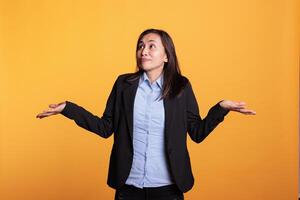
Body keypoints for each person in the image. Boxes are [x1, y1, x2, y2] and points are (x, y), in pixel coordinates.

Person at [36, 28, 256, 200]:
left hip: (168, 189)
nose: (144, 51)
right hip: (128, 187)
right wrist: (68, 109)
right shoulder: (124, 84)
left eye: (152, 46)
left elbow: (197, 132)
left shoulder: (181, 87)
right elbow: (105, 127)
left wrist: (221, 108)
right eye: (141, 46)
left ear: (167, 56)